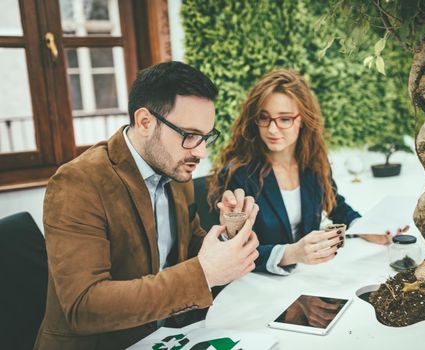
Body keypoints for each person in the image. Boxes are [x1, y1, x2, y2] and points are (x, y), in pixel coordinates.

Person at [34, 61, 259, 349]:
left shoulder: (176, 172)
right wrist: (204, 273)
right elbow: (83, 307)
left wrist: (228, 235)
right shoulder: (78, 182)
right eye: (189, 135)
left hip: (166, 337)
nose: (201, 152)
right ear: (145, 122)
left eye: (205, 137)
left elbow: (188, 251)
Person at [208, 69, 405, 275]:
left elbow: (335, 205)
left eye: (284, 119)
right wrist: (292, 253)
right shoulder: (239, 174)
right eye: (264, 118)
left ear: (301, 120)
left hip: (307, 277)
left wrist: (366, 229)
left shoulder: (313, 165)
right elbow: (234, 251)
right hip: (259, 284)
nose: (272, 130)